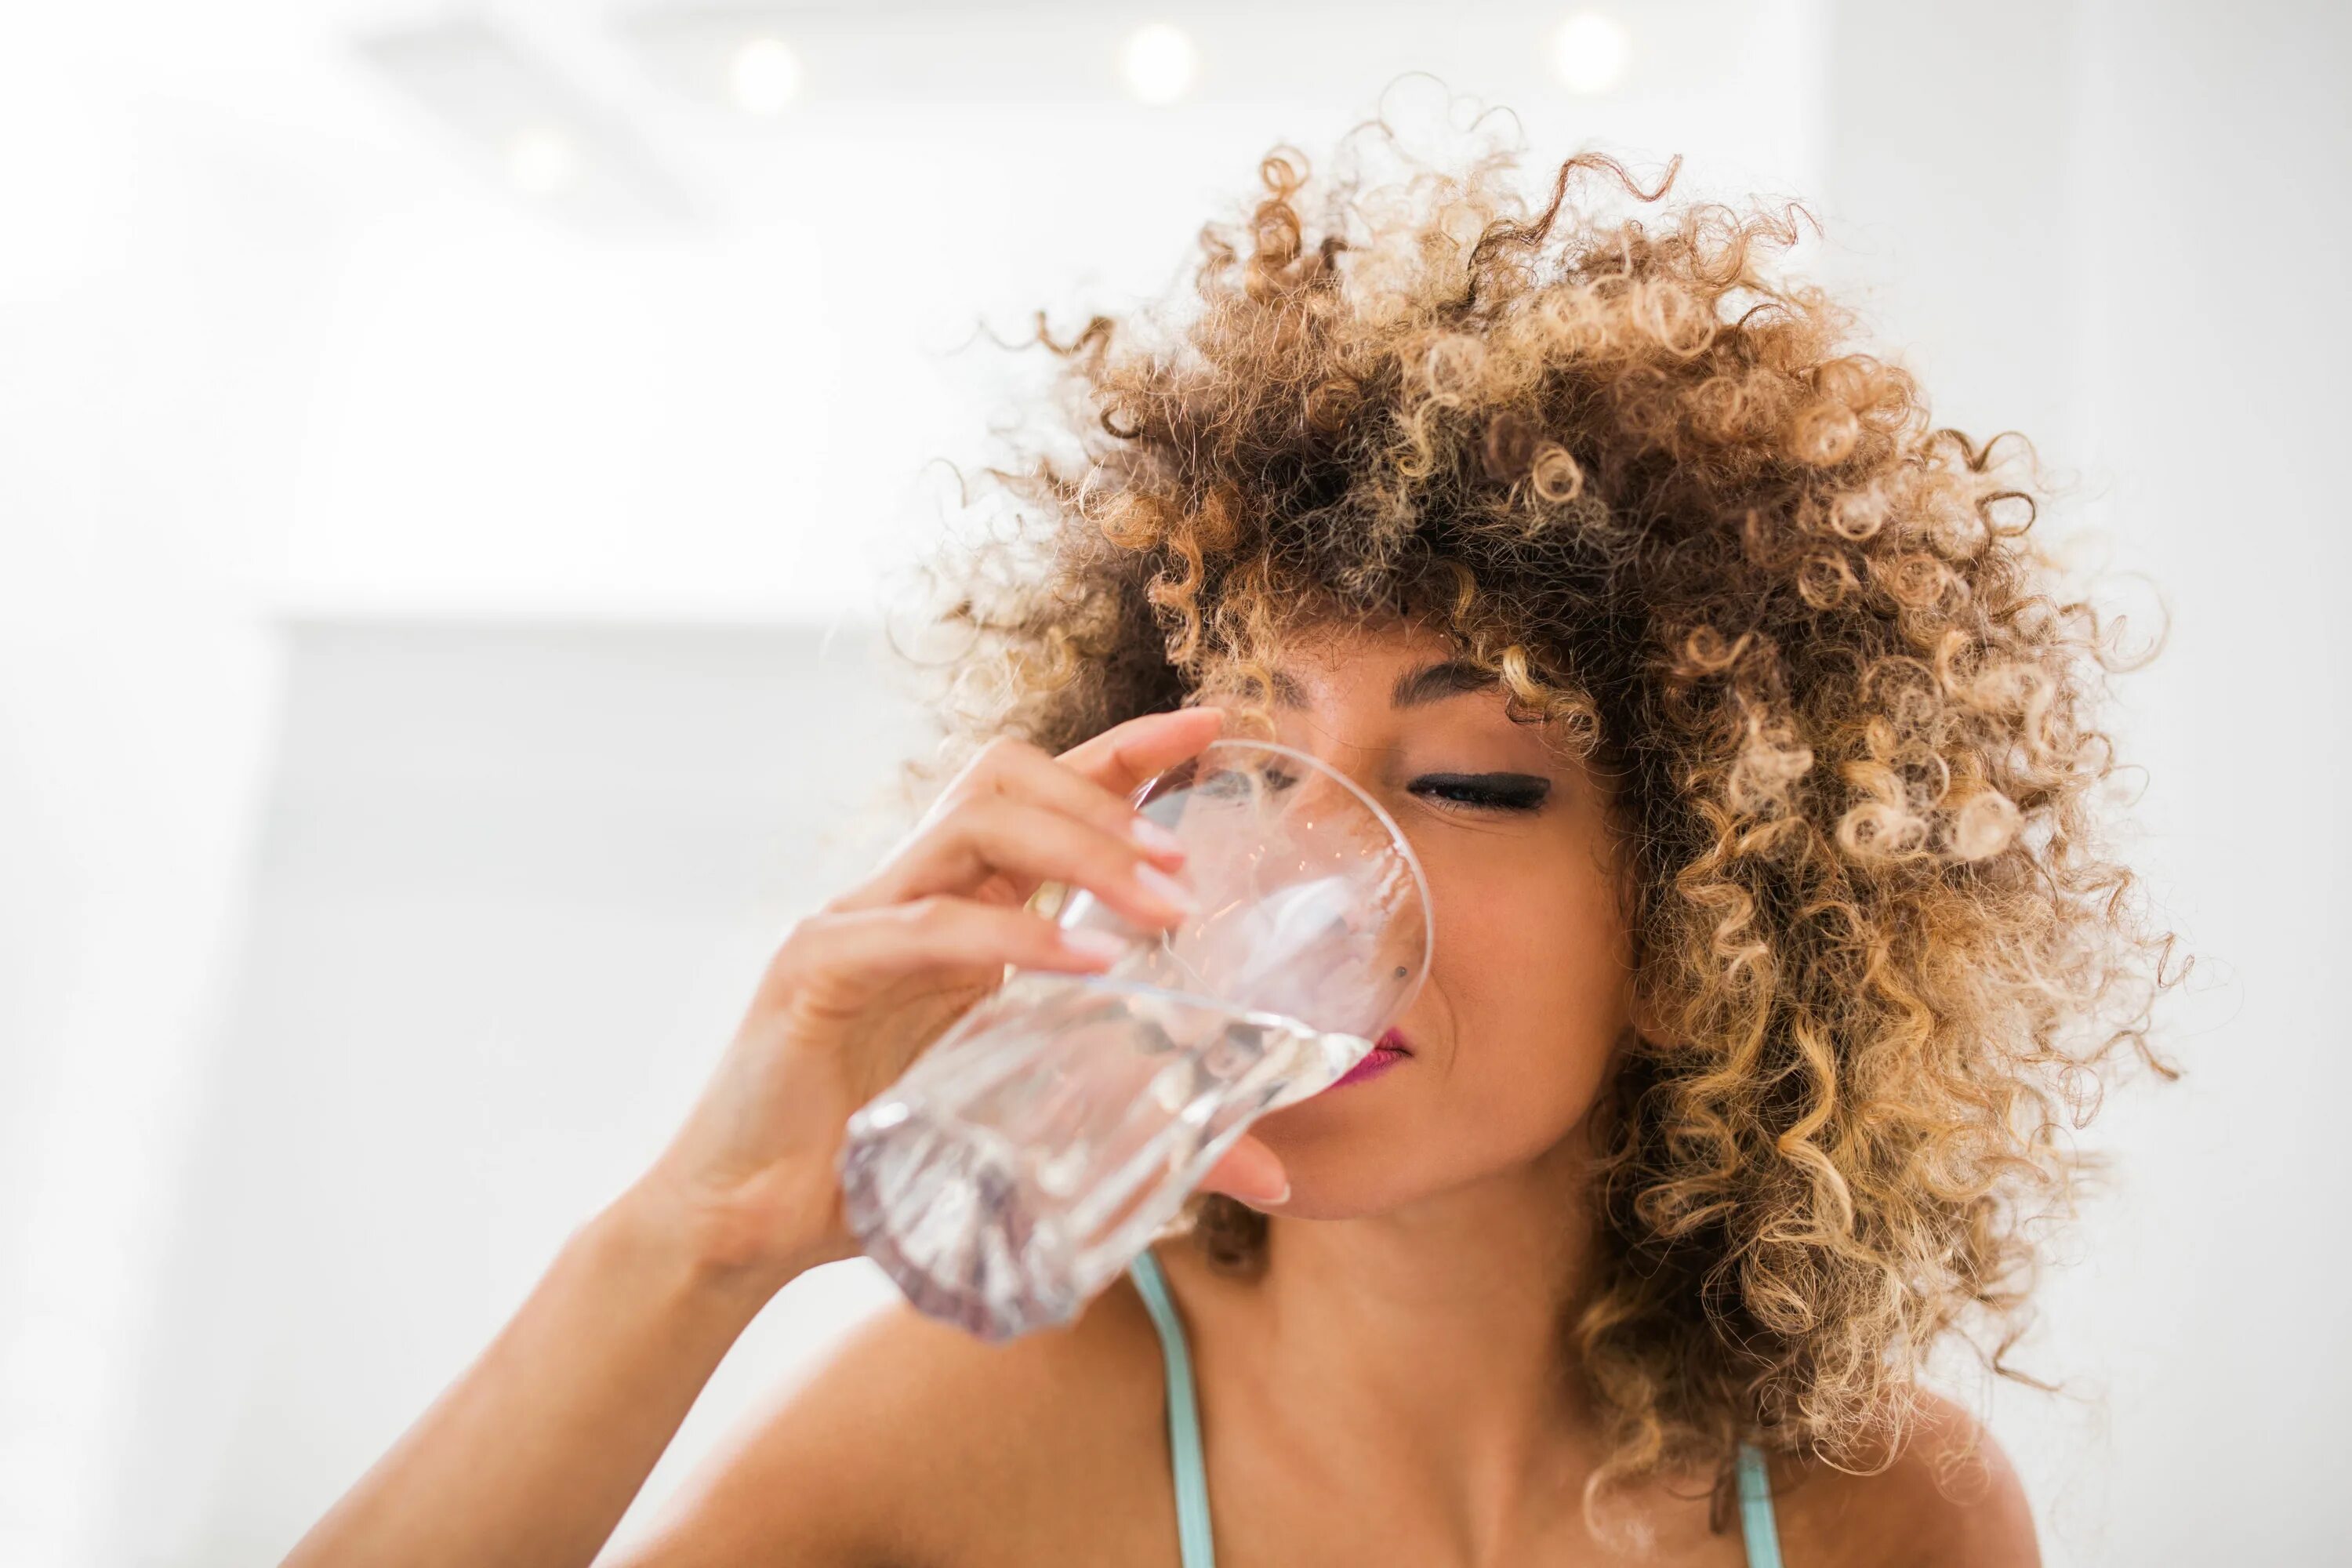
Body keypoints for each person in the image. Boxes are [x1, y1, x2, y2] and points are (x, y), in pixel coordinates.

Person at [282, 120, 2182, 1568]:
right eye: (1248, 762)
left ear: (1711, 932)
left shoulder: (1883, 1506)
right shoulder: (988, 1434)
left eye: (1469, 781)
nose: (1297, 869)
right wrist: (692, 1238)